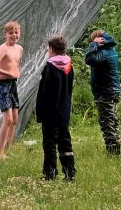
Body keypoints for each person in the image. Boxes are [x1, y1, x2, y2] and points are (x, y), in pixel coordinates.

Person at [35, 35, 76, 181]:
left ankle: (50, 173)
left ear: (51, 49)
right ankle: (70, 172)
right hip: (64, 110)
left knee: (50, 142)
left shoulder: (50, 68)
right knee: (65, 140)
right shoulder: (69, 67)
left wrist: (39, 112)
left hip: (50, 112)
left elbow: (43, 93)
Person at [0, 21, 23, 159]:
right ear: (5, 34)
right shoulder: (3, 48)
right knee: (7, 119)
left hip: (12, 83)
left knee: (14, 119)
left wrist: (15, 72)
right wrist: (8, 74)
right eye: (11, 33)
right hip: (1, 84)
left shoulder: (19, 48)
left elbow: (15, 64)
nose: (14, 35)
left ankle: (8, 149)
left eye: (16, 32)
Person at [85, 30, 121, 155]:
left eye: (93, 41)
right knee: (112, 120)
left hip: (106, 91)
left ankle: (113, 152)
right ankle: (115, 149)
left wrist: (93, 45)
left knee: (107, 122)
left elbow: (89, 59)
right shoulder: (111, 50)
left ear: (99, 41)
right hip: (111, 90)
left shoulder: (104, 53)